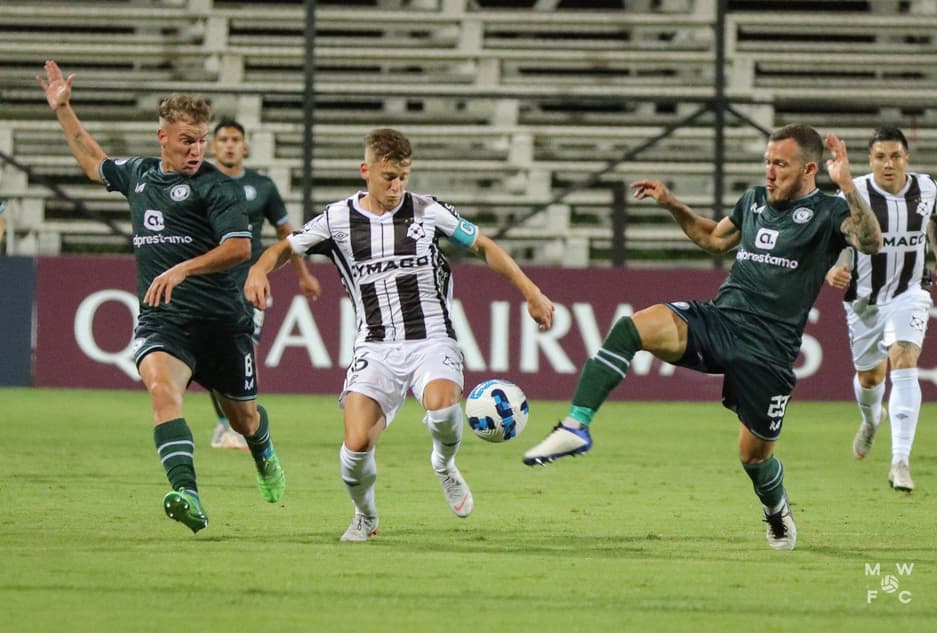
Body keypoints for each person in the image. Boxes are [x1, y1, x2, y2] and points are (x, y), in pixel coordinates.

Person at [523, 124, 883, 551]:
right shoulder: (752, 201)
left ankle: (775, 511)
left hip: (769, 352)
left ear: (809, 169)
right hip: (721, 321)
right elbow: (713, 238)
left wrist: (845, 184)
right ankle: (576, 425)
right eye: (767, 162)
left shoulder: (828, 211)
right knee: (631, 327)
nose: (769, 172)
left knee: (754, 457)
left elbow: (870, 241)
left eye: (780, 165)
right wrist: (672, 204)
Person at [245, 128, 554, 542]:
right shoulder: (338, 220)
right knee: (355, 448)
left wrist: (531, 292)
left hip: (432, 339)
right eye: (388, 176)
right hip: (374, 346)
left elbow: (484, 245)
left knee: (444, 409)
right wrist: (258, 269)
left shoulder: (428, 211)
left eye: (403, 176)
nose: (396, 186)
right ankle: (366, 516)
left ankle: (444, 464)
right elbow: (286, 246)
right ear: (366, 171)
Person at [37, 59, 286, 534]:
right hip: (164, 321)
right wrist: (64, 110)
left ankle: (263, 450)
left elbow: (239, 247)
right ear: (164, 138)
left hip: (220, 321)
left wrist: (185, 266)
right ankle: (186, 493)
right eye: (187, 140)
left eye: (202, 140)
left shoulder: (217, 186)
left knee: (245, 420)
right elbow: (93, 162)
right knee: (162, 392)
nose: (196, 150)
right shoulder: (141, 174)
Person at [823, 126, 937, 492]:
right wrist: (832, 267)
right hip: (865, 301)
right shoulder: (855, 192)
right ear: (870, 160)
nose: (888, 164)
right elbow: (829, 235)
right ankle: (871, 420)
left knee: (905, 359)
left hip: (910, 291)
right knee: (871, 378)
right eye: (880, 157)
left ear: (906, 158)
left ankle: (900, 462)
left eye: (895, 156)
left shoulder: (928, 189)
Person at [208, 118, 322, 450]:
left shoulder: (262, 186)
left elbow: (286, 234)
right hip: (210, 282)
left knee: (243, 349)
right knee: (214, 354)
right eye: (224, 139)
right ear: (214, 146)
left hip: (249, 281)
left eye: (235, 139)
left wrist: (303, 274)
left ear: (244, 147)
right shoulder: (201, 183)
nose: (229, 145)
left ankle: (243, 424)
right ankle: (224, 425)